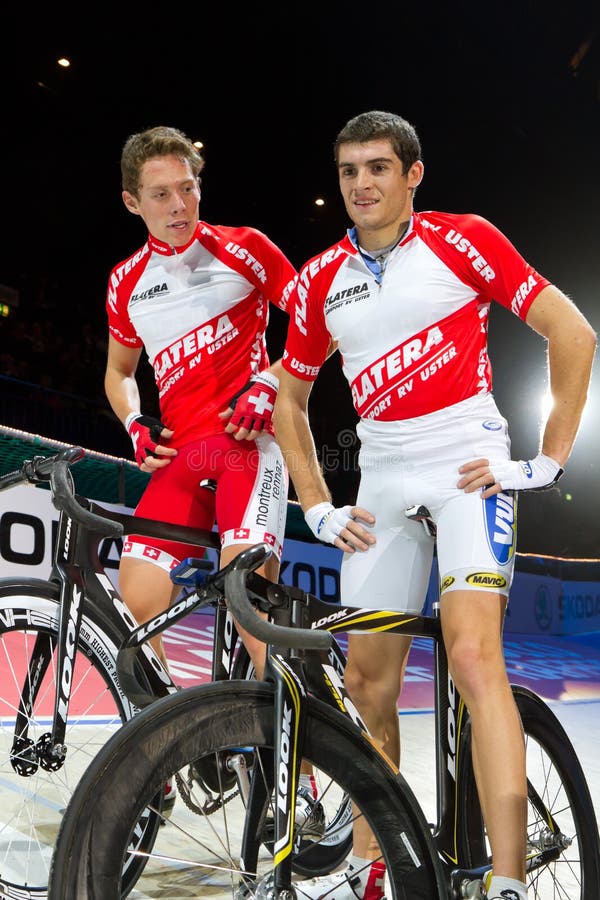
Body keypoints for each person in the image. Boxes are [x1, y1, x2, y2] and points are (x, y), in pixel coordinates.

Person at [273, 110, 596, 900]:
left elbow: (572, 333)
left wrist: (547, 460)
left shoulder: (463, 238)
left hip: (466, 467)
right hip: (381, 480)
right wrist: (315, 505)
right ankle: (372, 865)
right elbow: (288, 399)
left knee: (474, 658)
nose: (361, 184)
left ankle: (507, 881)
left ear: (413, 174)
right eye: (349, 171)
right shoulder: (317, 280)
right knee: (367, 685)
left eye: (378, 167)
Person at [104, 125, 323, 826]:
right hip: (184, 457)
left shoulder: (245, 246)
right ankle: (171, 756)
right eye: (160, 194)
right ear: (132, 201)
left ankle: (301, 785)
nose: (178, 205)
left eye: (188, 188)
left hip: (248, 449)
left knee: (252, 612)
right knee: (136, 604)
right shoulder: (125, 282)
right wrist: (134, 423)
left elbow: (315, 321)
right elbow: (118, 373)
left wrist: (272, 380)